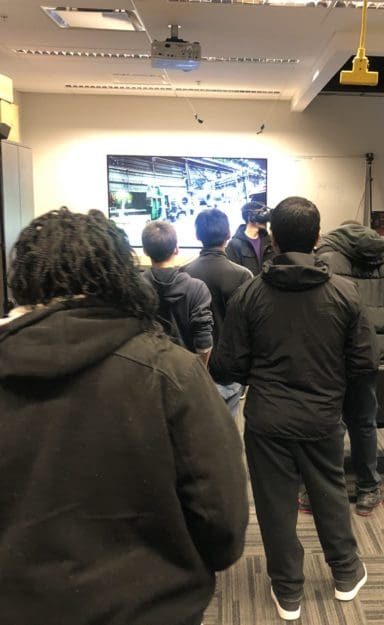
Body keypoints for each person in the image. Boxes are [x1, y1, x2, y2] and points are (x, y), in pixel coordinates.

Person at [0, 208, 248, 625]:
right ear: (120, 274)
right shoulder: (173, 373)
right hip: (152, 607)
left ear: (24, 279)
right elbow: (224, 525)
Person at [213, 197, 378, 620]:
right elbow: (364, 364)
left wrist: (257, 372)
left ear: (273, 237)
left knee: (274, 505)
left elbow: (226, 364)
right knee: (330, 495)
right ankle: (345, 573)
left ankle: (288, 592)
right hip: (323, 416)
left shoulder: (249, 293)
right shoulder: (345, 292)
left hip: (267, 418)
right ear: (318, 237)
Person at [315, 221, 384, 515]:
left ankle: (324, 489)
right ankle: (368, 488)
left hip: (332, 341)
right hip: (373, 344)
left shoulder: (327, 250)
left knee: (330, 418)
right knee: (364, 418)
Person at [182, 209, 252, 417]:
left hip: (191, 368)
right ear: (229, 234)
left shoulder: (183, 274)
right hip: (229, 372)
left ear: (197, 235)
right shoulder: (243, 276)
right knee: (227, 436)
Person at [141, 220, 213, 365]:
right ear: (176, 249)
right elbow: (204, 343)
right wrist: (199, 374)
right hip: (185, 372)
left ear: (145, 250)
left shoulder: (134, 287)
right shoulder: (197, 288)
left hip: (146, 371)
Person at [225, 201, 274, 275]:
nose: (265, 219)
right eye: (261, 213)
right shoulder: (234, 245)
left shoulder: (269, 240)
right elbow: (234, 276)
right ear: (249, 217)